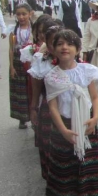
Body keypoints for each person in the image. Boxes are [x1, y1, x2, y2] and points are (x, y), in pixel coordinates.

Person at [44, 29, 98, 196]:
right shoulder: (52, 77)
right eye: (60, 43)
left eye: (70, 44)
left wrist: (95, 118)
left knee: (89, 165)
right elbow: (52, 106)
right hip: (66, 125)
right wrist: (62, 130)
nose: (65, 47)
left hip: (86, 124)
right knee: (69, 165)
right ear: (53, 49)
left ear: (77, 49)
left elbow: (94, 98)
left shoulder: (86, 70)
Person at [28, 20, 63, 180]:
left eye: (63, 42)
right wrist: (33, 108)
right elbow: (36, 89)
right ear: (47, 46)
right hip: (48, 109)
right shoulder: (42, 62)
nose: (60, 47)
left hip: (71, 109)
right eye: (54, 43)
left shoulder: (75, 62)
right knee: (50, 144)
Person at [9, 3, 33, 129]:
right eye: (19, 14)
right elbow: (11, 49)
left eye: (24, 14)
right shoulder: (13, 30)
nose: (21, 17)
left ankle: (34, 116)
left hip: (32, 62)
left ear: (30, 14)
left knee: (32, 90)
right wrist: (11, 67)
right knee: (20, 91)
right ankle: (22, 118)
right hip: (18, 62)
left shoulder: (34, 29)